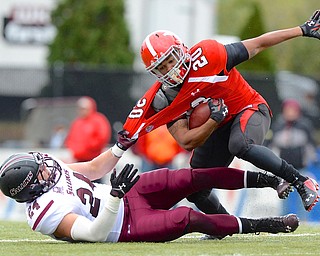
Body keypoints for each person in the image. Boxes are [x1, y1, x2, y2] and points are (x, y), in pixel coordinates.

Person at [122, 10, 320, 219]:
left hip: (249, 109)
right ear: (155, 73)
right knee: (196, 189)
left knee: (240, 145)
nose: (170, 70)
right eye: (161, 68)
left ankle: (301, 181)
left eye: (170, 61)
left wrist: (302, 30)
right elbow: (186, 141)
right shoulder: (165, 98)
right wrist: (212, 121)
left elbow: (259, 43)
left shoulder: (209, 56)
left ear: (181, 50)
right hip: (217, 126)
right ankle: (225, 226)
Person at [0, 134, 299, 243]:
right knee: (187, 218)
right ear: (30, 189)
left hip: (129, 193)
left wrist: (121, 146)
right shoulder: (45, 213)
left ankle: (272, 179)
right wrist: (115, 197)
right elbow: (94, 235)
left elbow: (93, 169)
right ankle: (266, 225)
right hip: (125, 225)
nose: (47, 168)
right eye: (40, 171)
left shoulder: (51, 173)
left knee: (189, 177)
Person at [267, 98, 318, 219]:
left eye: (292, 110)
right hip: (284, 169)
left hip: (301, 168)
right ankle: (283, 219)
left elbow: (311, 145)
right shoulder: (278, 126)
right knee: (284, 195)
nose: (290, 112)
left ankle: (304, 220)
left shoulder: (304, 126)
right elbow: (270, 145)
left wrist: (313, 159)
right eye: (287, 110)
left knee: (304, 195)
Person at [65, 96, 112, 182]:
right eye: (80, 108)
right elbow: (70, 139)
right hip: (79, 161)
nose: (82, 111)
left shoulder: (98, 120)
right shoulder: (77, 122)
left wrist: (86, 149)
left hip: (94, 160)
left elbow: (102, 138)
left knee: (96, 186)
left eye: (84, 108)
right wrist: (75, 151)